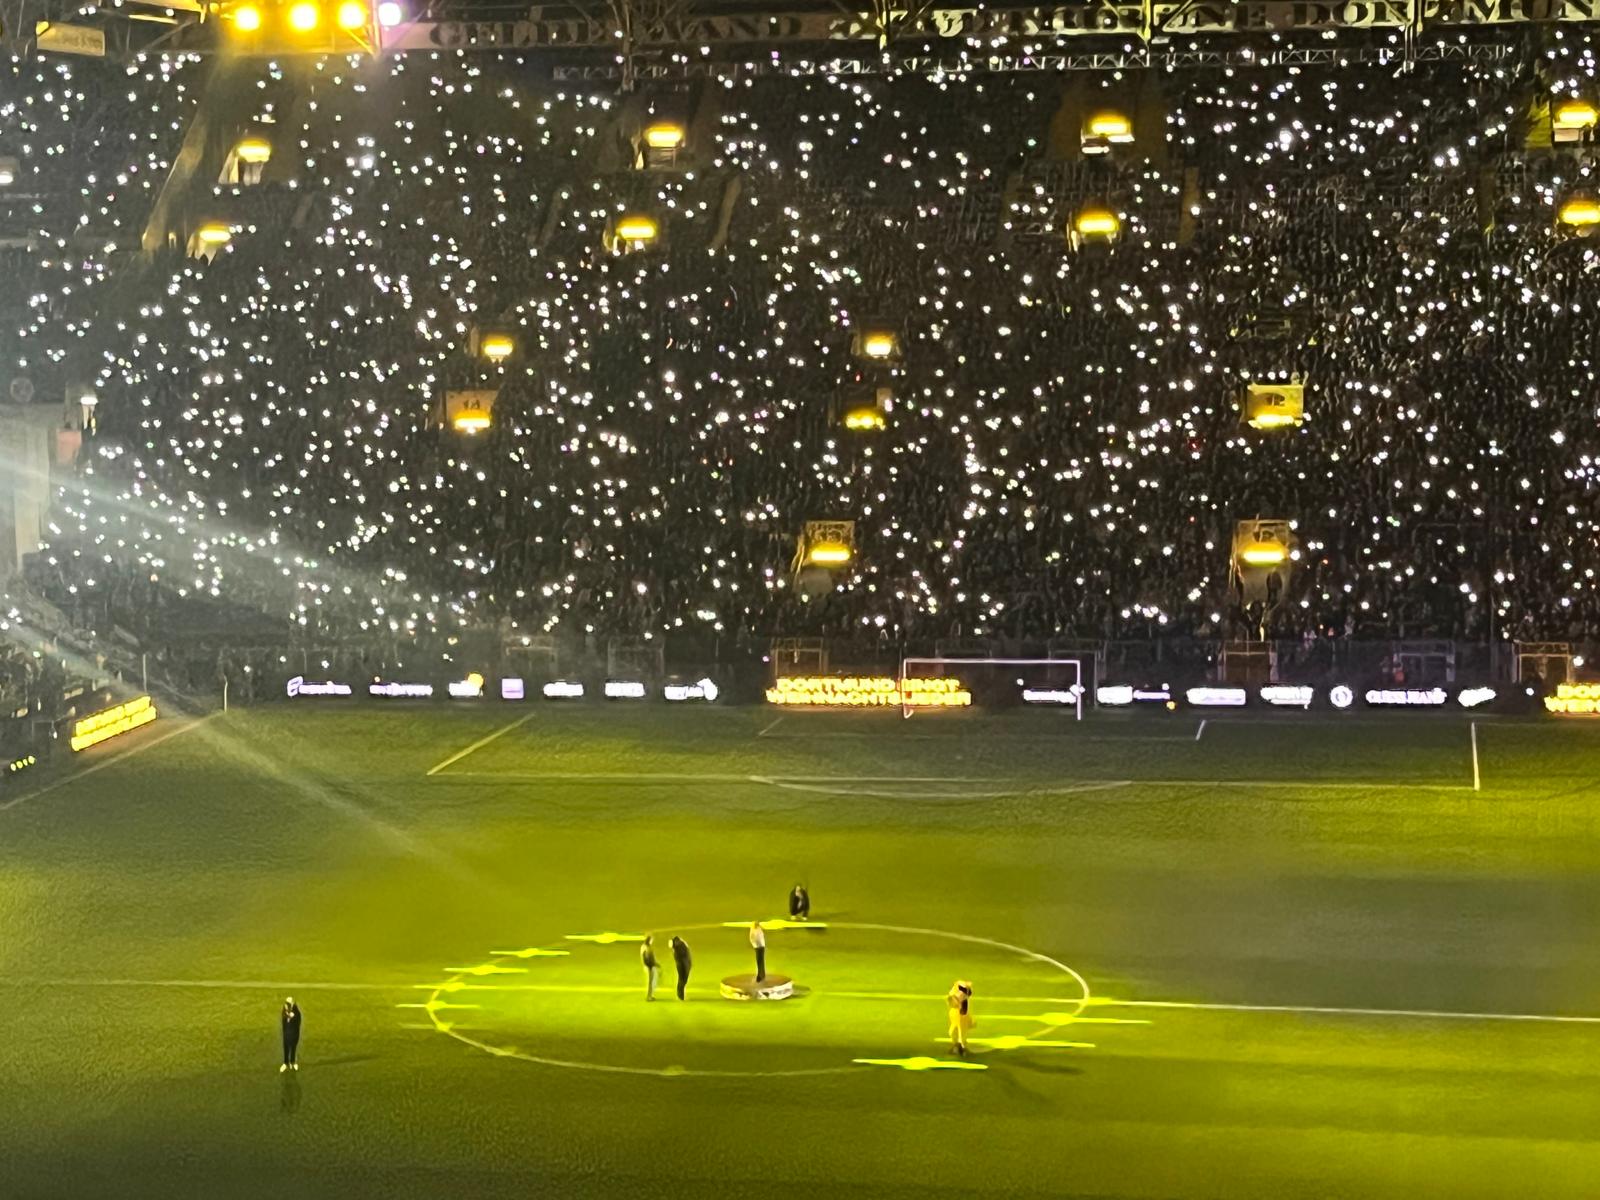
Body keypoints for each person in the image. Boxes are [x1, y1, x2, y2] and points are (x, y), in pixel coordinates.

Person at [946, 981, 973, 1057]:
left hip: (961, 1017)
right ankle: (958, 1047)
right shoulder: (958, 992)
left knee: (960, 1034)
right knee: (952, 1033)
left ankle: (962, 1049)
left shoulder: (962, 1001)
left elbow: (955, 1002)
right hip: (957, 1016)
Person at [280, 997, 302, 1072]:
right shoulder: (284, 1010)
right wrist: (287, 1015)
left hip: (294, 1034)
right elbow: (283, 1020)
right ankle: (286, 1063)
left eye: (288, 1004)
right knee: (286, 1049)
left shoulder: (296, 1012)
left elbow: (298, 1023)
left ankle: (293, 1062)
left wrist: (293, 1017)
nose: (286, 1005)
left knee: (293, 1049)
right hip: (286, 1033)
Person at [670, 935, 692, 1001]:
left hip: (685, 964)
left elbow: (687, 954)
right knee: (682, 980)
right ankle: (680, 995)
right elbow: (682, 957)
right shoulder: (676, 949)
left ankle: (680, 994)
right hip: (681, 966)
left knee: (684, 980)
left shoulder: (682, 945)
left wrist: (689, 963)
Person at [641, 934, 660, 1001]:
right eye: (651, 940)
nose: (652, 941)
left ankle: (650, 996)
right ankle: (648, 997)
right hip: (648, 966)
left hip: (650, 965)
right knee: (649, 982)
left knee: (651, 982)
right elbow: (646, 958)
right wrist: (650, 965)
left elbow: (651, 957)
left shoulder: (647, 947)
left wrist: (656, 963)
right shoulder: (646, 947)